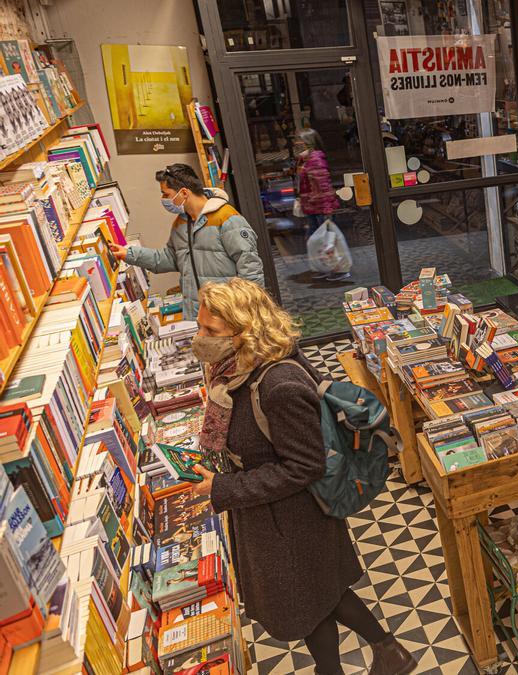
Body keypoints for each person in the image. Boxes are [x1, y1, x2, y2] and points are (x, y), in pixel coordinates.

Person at [189, 279, 414, 675]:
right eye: (200, 326)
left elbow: (305, 466)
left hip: (295, 520)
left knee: (311, 601)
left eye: (211, 331)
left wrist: (223, 487)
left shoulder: (278, 385)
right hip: (275, 517)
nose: (200, 338)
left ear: (245, 332)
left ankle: (377, 655)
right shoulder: (238, 369)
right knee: (319, 597)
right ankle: (385, 652)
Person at [113, 164, 264, 320]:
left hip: (230, 314)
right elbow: (169, 259)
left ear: (184, 192)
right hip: (202, 316)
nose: (163, 200)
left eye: (166, 194)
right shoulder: (181, 222)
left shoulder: (227, 219)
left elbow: (251, 269)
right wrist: (128, 254)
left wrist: (251, 314)